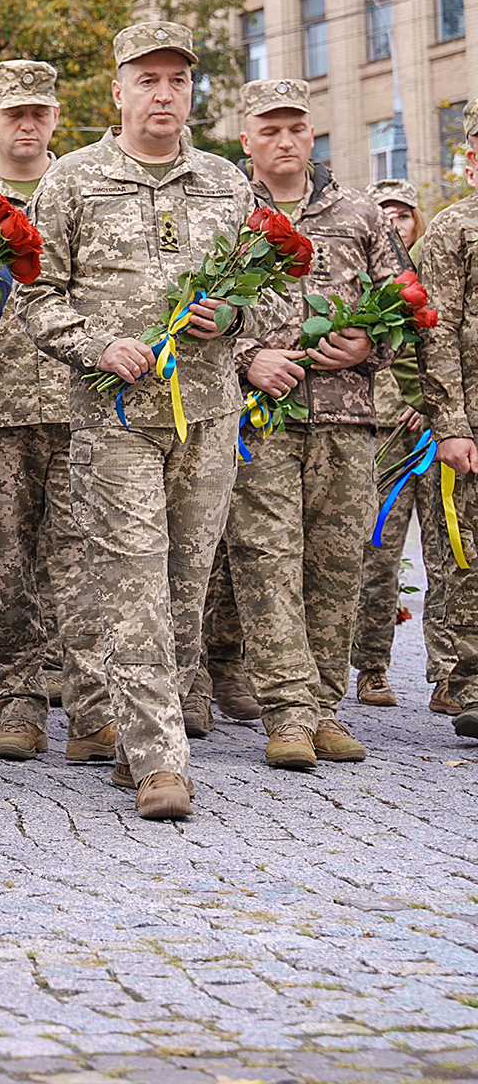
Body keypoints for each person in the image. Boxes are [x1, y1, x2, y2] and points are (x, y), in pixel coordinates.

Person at [14, 21, 252, 821]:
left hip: (209, 418)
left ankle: (135, 743)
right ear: (117, 91)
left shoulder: (226, 183)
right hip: (114, 420)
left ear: (191, 92)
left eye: (177, 80)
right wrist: (93, 345)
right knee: (133, 583)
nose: (163, 93)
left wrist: (238, 314)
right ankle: (160, 761)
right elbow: (34, 294)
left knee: (184, 586)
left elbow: (272, 293)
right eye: (146, 79)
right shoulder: (76, 181)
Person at [219, 77, 397, 770]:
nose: (284, 140)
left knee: (335, 565)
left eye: (295, 127)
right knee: (267, 563)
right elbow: (191, 309)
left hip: (348, 419)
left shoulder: (358, 213)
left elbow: (400, 302)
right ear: (247, 140)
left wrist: (369, 346)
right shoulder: (227, 211)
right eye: (269, 129)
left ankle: (323, 707)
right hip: (260, 420)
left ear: (313, 134)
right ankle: (287, 713)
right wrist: (249, 355)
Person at [0, 61, 109, 765]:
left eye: (39, 112)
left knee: (79, 566)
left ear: (56, 117)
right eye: (13, 112)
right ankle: (17, 707)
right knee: (2, 566)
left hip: (80, 399)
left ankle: (90, 709)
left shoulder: (83, 187)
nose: (27, 125)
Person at [356, 179, 455, 711]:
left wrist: (437, 404)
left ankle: (448, 674)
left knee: (447, 555)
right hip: (385, 436)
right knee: (378, 554)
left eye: (403, 213)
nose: (394, 222)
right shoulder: (369, 278)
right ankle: (371, 667)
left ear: (417, 220)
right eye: (384, 213)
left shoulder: (439, 272)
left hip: (438, 435)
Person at [416, 103, 478, 742]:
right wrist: (452, 422)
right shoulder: (453, 230)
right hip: (471, 421)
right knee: (464, 555)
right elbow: (438, 333)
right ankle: (467, 681)